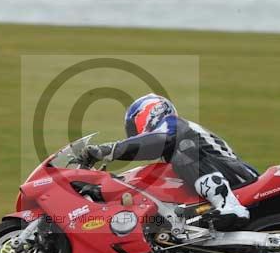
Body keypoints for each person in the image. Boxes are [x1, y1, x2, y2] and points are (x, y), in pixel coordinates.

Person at [81, 93, 258, 227]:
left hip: (237, 175)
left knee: (183, 154)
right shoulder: (173, 149)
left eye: (133, 127)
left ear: (147, 114)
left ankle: (230, 206)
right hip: (224, 175)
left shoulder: (173, 124)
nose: (134, 133)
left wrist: (107, 150)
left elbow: (158, 141)